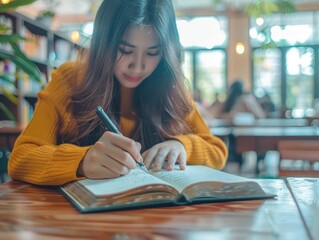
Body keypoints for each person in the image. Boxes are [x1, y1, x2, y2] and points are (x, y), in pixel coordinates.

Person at [8, 0, 227, 186]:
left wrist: (183, 145)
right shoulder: (70, 79)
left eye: (153, 52)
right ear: (104, 43)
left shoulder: (170, 88)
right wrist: (82, 160)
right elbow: (20, 158)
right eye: (125, 50)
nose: (138, 66)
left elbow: (217, 152)